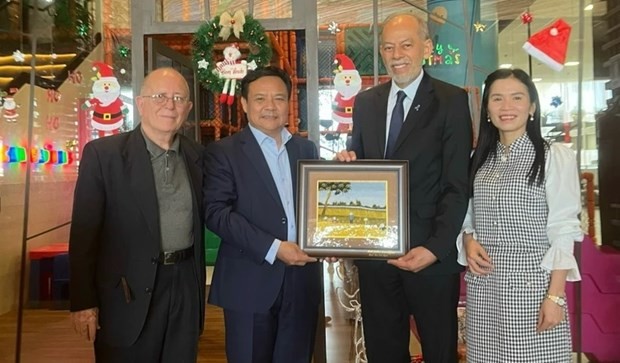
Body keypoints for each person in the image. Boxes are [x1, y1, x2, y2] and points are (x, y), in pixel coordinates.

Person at [336, 12, 472, 363]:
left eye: (406, 45)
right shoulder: (366, 103)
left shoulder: (452, 100)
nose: (397, 54)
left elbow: (457, 184)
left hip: (431, 257)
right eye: (388, 47)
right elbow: (363, 174)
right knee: (383, 351)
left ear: (426, 47)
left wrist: (436, 248)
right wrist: (348, 165)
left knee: (439, 350)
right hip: (377, 257)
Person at [69, 67, 206, 362]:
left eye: (178, 98)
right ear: (141, 103)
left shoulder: (198, 157)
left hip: (183, 285)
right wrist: (83, 302)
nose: (169, 105)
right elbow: (83, 235)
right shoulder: (104, 156)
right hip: (125, 292)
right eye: (160, 96)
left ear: (188, 108)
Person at [458, 68, 582, 362]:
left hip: (533, 286)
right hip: (486, 286)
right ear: (487, 108)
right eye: (497, 99)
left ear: (532, 107)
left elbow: (564, 228)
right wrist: (467, 238)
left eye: (517, 97)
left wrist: (554, 296)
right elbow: (467, 215)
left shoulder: (553, 155)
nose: (507, 107)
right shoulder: (477, 159)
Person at [203, 66, 322, 363]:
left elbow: (322, 207)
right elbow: (216, 213)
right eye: (260, 99)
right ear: (244, 104)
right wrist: (275, 248)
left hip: (302, 281)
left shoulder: (307, 150)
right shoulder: (223, 151)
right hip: (249, 282)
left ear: (289, 103)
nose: (270, 106)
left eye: (279, 98)